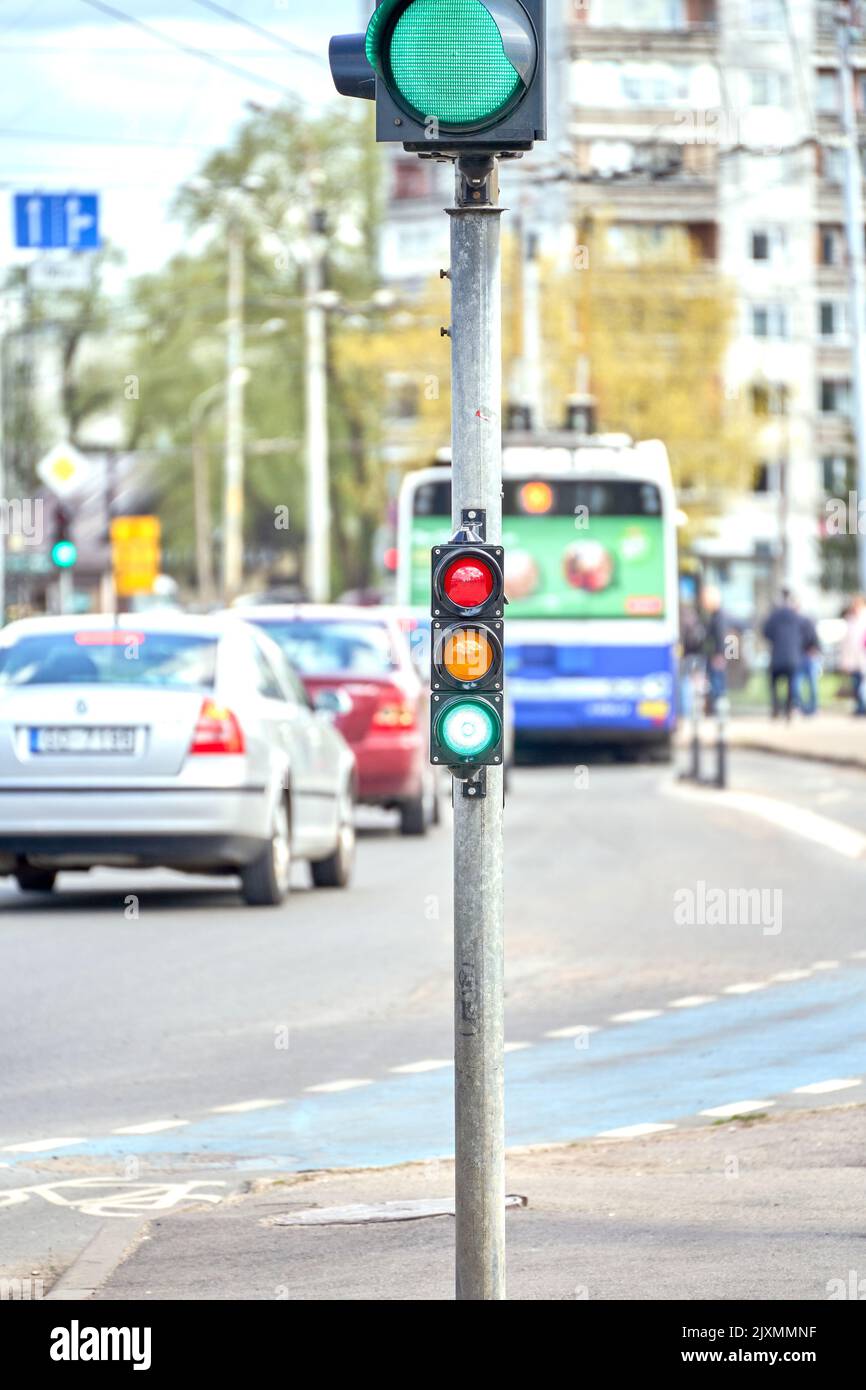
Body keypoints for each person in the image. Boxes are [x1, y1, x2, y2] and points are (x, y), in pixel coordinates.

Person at [762, 589, 805, 721]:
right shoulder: (796, 616)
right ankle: (788, 709)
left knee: (774, 682)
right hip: (793, 655)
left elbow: (766, 632)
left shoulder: (774, 616)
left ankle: (776, 708)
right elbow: (806, 632)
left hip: (777, 655)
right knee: (791, 683)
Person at [701, 585, 728, 714]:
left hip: (717, 656)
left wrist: (720, 655)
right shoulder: (715, 616)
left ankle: (719, 713)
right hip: (715, 655)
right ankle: (717, 711)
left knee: (718, 686)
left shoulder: (719, 617)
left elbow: (721, 637)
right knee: (716, 684)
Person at [840, 595, 866, 717]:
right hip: (853, 659)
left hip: (863, 658)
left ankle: (863, 706)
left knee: (863, 684)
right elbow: (846, 643)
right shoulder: (850, 621)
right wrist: (844, 661)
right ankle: (860, 706)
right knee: (856, 684)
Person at [797, 607, 821, 717]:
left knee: (810, 683)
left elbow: (814, 639)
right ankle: (804, 707)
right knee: (800, 684)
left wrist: (814, 650)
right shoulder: (800, 622)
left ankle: (811, 707)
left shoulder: (806, 622)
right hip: (802, 656)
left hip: (808, 655)